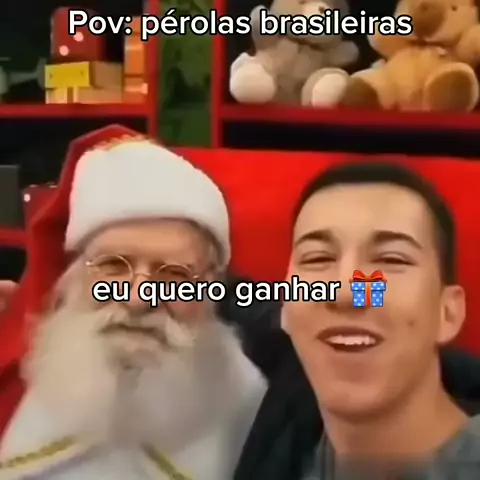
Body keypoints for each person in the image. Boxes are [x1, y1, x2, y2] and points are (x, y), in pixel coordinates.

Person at [0, 125, 266, 480]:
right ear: (72, 277)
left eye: (173, 275)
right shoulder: (29, 374)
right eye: (113, 266)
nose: (139, 299)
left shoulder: (257, 409)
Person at [233, 162, 480, 480]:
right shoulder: (285, 420)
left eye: (391, 259)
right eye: (318, 258)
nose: (347, 291)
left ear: (448, 313)